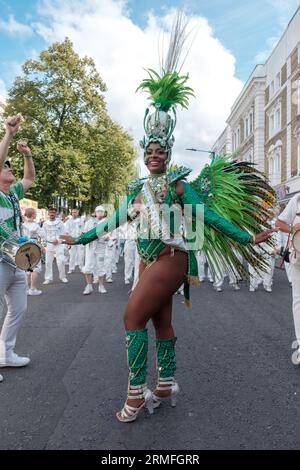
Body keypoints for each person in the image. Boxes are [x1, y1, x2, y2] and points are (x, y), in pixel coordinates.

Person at [61, 16, 275, 422]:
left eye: (160, 150)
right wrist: (83, 238)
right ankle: (166, 382)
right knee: (159, 319)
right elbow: (117, 220)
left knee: (130, 317)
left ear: (168, 151)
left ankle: (137, 394)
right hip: (146, 260)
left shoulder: (178, 185)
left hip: (170, 259)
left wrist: (246, 238)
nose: (154, 155)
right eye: (149, 151)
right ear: (144, 154)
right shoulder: (136, 187)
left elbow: (208, 216)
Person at [0, 115, 36, 381]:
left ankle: (6, 353)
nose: (9, 169)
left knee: (19, 309)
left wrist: (28, 156)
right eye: (5, 167)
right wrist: (9, 134)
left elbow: (30, 179)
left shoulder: (12, 193)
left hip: (15, 260)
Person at [276, 193, 300, 362]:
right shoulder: (297, 199)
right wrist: (294, 229)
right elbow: (279, 223)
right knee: (298, 300)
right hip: (298, 257)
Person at [82, 206, 108, 295]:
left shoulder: (107, 222)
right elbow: (84, 232)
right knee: (88, 266)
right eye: (98, 211)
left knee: (101, 266)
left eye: (101, 211)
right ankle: (89, 286)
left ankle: (101, 286)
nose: (100, 213)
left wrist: (108, 237)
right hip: (90, 246)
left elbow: (111, 234)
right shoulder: (89, 221)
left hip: (101, 246)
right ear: (95, 212)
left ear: (104, 213)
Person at [42, 207, 68, 284]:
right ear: (48, 213)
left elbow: (63, 233)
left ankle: (63, 277)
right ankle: (48, 278)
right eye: (50, 212)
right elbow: (43, 234)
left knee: (61, 261)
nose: (52, 214)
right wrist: (44, 245)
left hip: (58, 244)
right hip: (49, 244)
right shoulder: (45, 223)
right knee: (48, 262)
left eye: (53, 212)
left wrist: (58, 240)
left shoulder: (60, 222)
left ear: (56, 213)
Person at [22, 207, 44, 295]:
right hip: (34, 246)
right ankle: (33, 288)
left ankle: (26, 289)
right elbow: (42, 235)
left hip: (24, 246)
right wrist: (42, 245)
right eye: (35, 213)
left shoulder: (22, 225)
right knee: (36, 267)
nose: (36, 214)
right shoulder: (35, 225)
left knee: (27, 268)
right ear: (32, 214)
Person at [64, 208, 85, 273]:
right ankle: (71, 268)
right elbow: (67, 232)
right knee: (72, 255)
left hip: (79, 239)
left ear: (78, 213)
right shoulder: (68, 222)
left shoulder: (81, 221)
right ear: (71, 213)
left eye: (75, 212)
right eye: (73, 212)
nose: (74, 213)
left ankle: (81, 268)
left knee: (81, 255)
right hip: (72, 240)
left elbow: (83, 230)